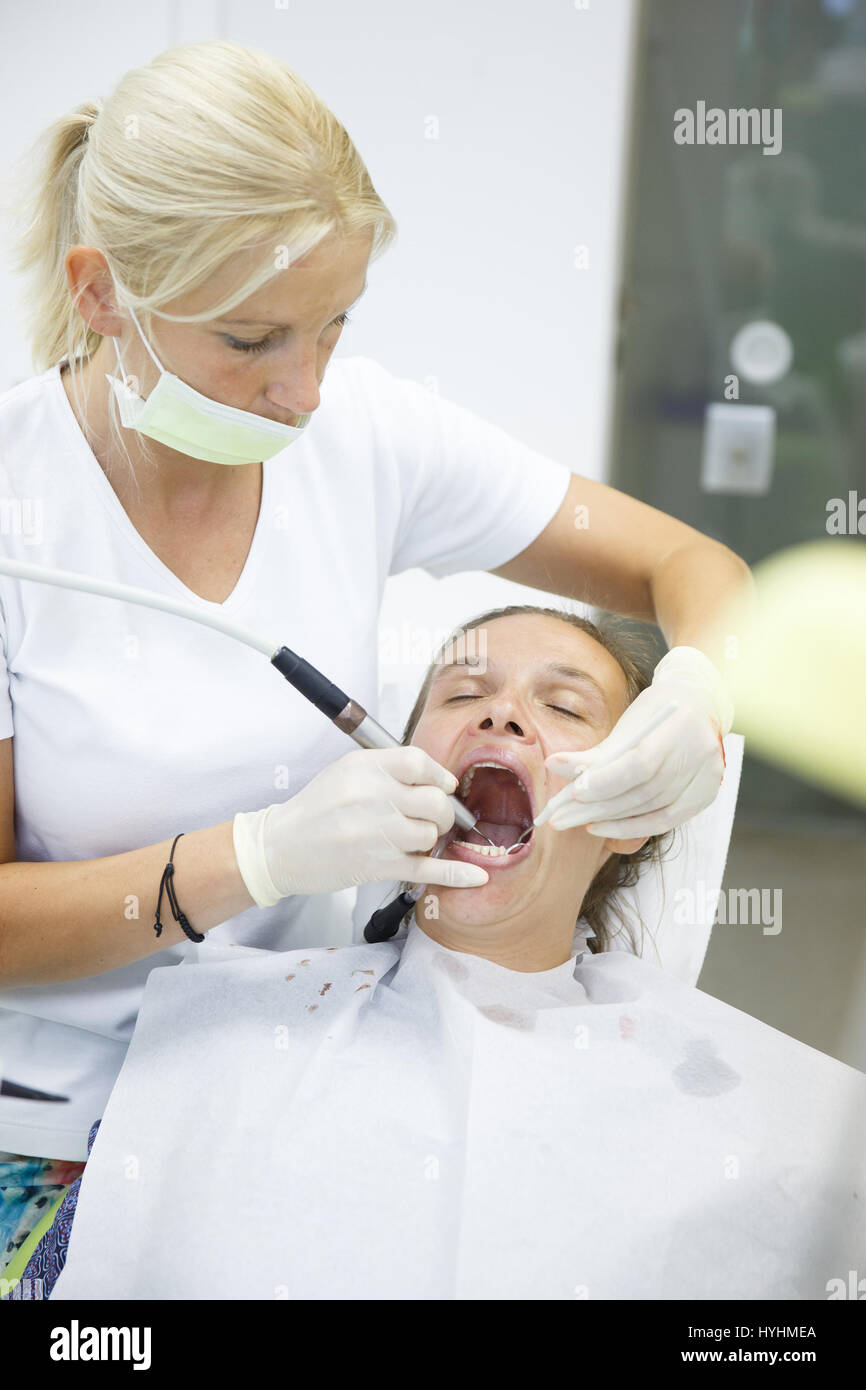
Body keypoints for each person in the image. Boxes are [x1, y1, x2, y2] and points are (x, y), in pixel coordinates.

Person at [0, 39, 751, 1272]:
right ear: (101, 293)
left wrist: (702, 686)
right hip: (54, 1145)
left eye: (334, 327)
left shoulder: (367, 438)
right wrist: (250, 859)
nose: (302, 393)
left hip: (297, 1099)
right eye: (251, 340)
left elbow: (698, 571)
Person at [18, 607, 864, 1301]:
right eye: (465, 693)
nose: (501, 714)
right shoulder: (218, 1035)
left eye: (565, 708)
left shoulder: (782, 1124)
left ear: (630, 812)